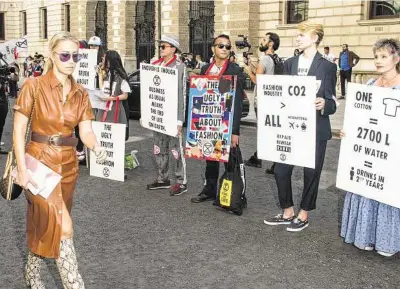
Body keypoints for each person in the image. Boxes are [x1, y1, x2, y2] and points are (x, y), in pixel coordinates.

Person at [13, 31, 107, 289]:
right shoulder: (34, 86)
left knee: (49, 223)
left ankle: (31, 274)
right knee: (64, 226)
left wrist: (97, 148)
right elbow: (19, 129)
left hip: (68, 165)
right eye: (65, 55)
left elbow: (85, 131)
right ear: (53, 56)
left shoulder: (81, 93)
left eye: (75, 55)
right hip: (38, 163)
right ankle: (75, 285)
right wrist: (21, 169)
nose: (71, 60)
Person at [264, 23, 337, 231]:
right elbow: (282, 93)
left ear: (315, 38)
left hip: (316, 129)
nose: (298, 38)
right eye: (297, 35)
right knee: (280, 170)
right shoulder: (290, 63)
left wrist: (324, 104)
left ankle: (303, 214)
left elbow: (332, 102)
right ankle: (287, 211)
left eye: (302, 35)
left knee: (311, 174)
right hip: (291, 128)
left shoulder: (328, 66)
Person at [340, 38, 400, 257]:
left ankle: (387, 241)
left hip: (392, 153)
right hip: (369, 150)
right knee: (366, 189)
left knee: (387, 194)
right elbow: (359, 118)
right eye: (376, 57)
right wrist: (349, 131)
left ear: (396, 58)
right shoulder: (369, 86)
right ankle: (364, 236)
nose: (378, 61)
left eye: (384, 56)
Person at [191, 34, 245, 203]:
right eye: (221, 46)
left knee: (228, 159)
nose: (224, 49)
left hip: (226, 123)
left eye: (228, 47)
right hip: (209, 121)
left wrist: (235, 131)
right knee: (210, 156)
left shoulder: (234, 70)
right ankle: (210, 190)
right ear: (213, 48)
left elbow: (236, 103)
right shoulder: (206, 69)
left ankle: (231, 194)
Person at [145, 35, 188, 196]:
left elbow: (182, 94)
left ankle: (181, 181)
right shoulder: (155, 65)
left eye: (164, 46)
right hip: (158, 114)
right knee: (158, 147)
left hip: (172, 115)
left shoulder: (180, 67)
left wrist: (179, 119)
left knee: (176, 149)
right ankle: (163, 178)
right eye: (160, 46)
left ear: (173, 49)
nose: (161, 49)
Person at [244, 32, 280, 170]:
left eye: (264, 40)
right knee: (270, 131)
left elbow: (257, 80)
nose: (262, 42)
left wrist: (248, 69)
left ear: (270, 43)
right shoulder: (276, 58)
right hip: (273, 100)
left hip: (263, 101)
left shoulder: (265, 59)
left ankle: (259, 158)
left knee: (265, 132)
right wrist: (253, 67)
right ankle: (265, 159)